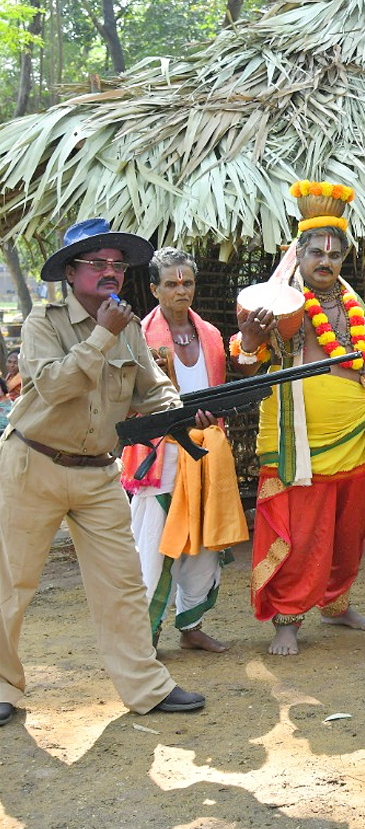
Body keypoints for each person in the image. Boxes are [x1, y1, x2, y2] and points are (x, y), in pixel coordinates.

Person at [0, 218, 210, 725]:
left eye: (117, 265)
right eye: (97, 264)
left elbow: (153, 388)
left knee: (122, 582)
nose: (110, 272)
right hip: (34, 465)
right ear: (71, 274)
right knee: (12, 583)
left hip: (98, 473)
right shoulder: (42, 323)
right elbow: (53, 387)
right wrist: (100, 336)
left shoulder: (129, 328)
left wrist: (181, 409)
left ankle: (146, 687)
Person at [234, 180, 365, 656]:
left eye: (335, 255)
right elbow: (247, 359)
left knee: (348, 529)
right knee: (303, 532)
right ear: (299, 256)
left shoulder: (352, 301)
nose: (326, 263)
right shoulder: (279, 301)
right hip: (300, 441)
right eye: (317, 254)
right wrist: (248, 341)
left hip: (357, 433)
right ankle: (288, 617)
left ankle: (336, 601)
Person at [120, 247, 248, 653]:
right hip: (158, 456)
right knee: (156, 546)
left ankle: (190, 625)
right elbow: (124, 400)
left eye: (187, 283)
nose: (181, 291)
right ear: (155, 289)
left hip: (206, 453)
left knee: (205, 544)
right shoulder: (136, 336)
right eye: (171, 284)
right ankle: (146, 636)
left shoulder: (210, 335)